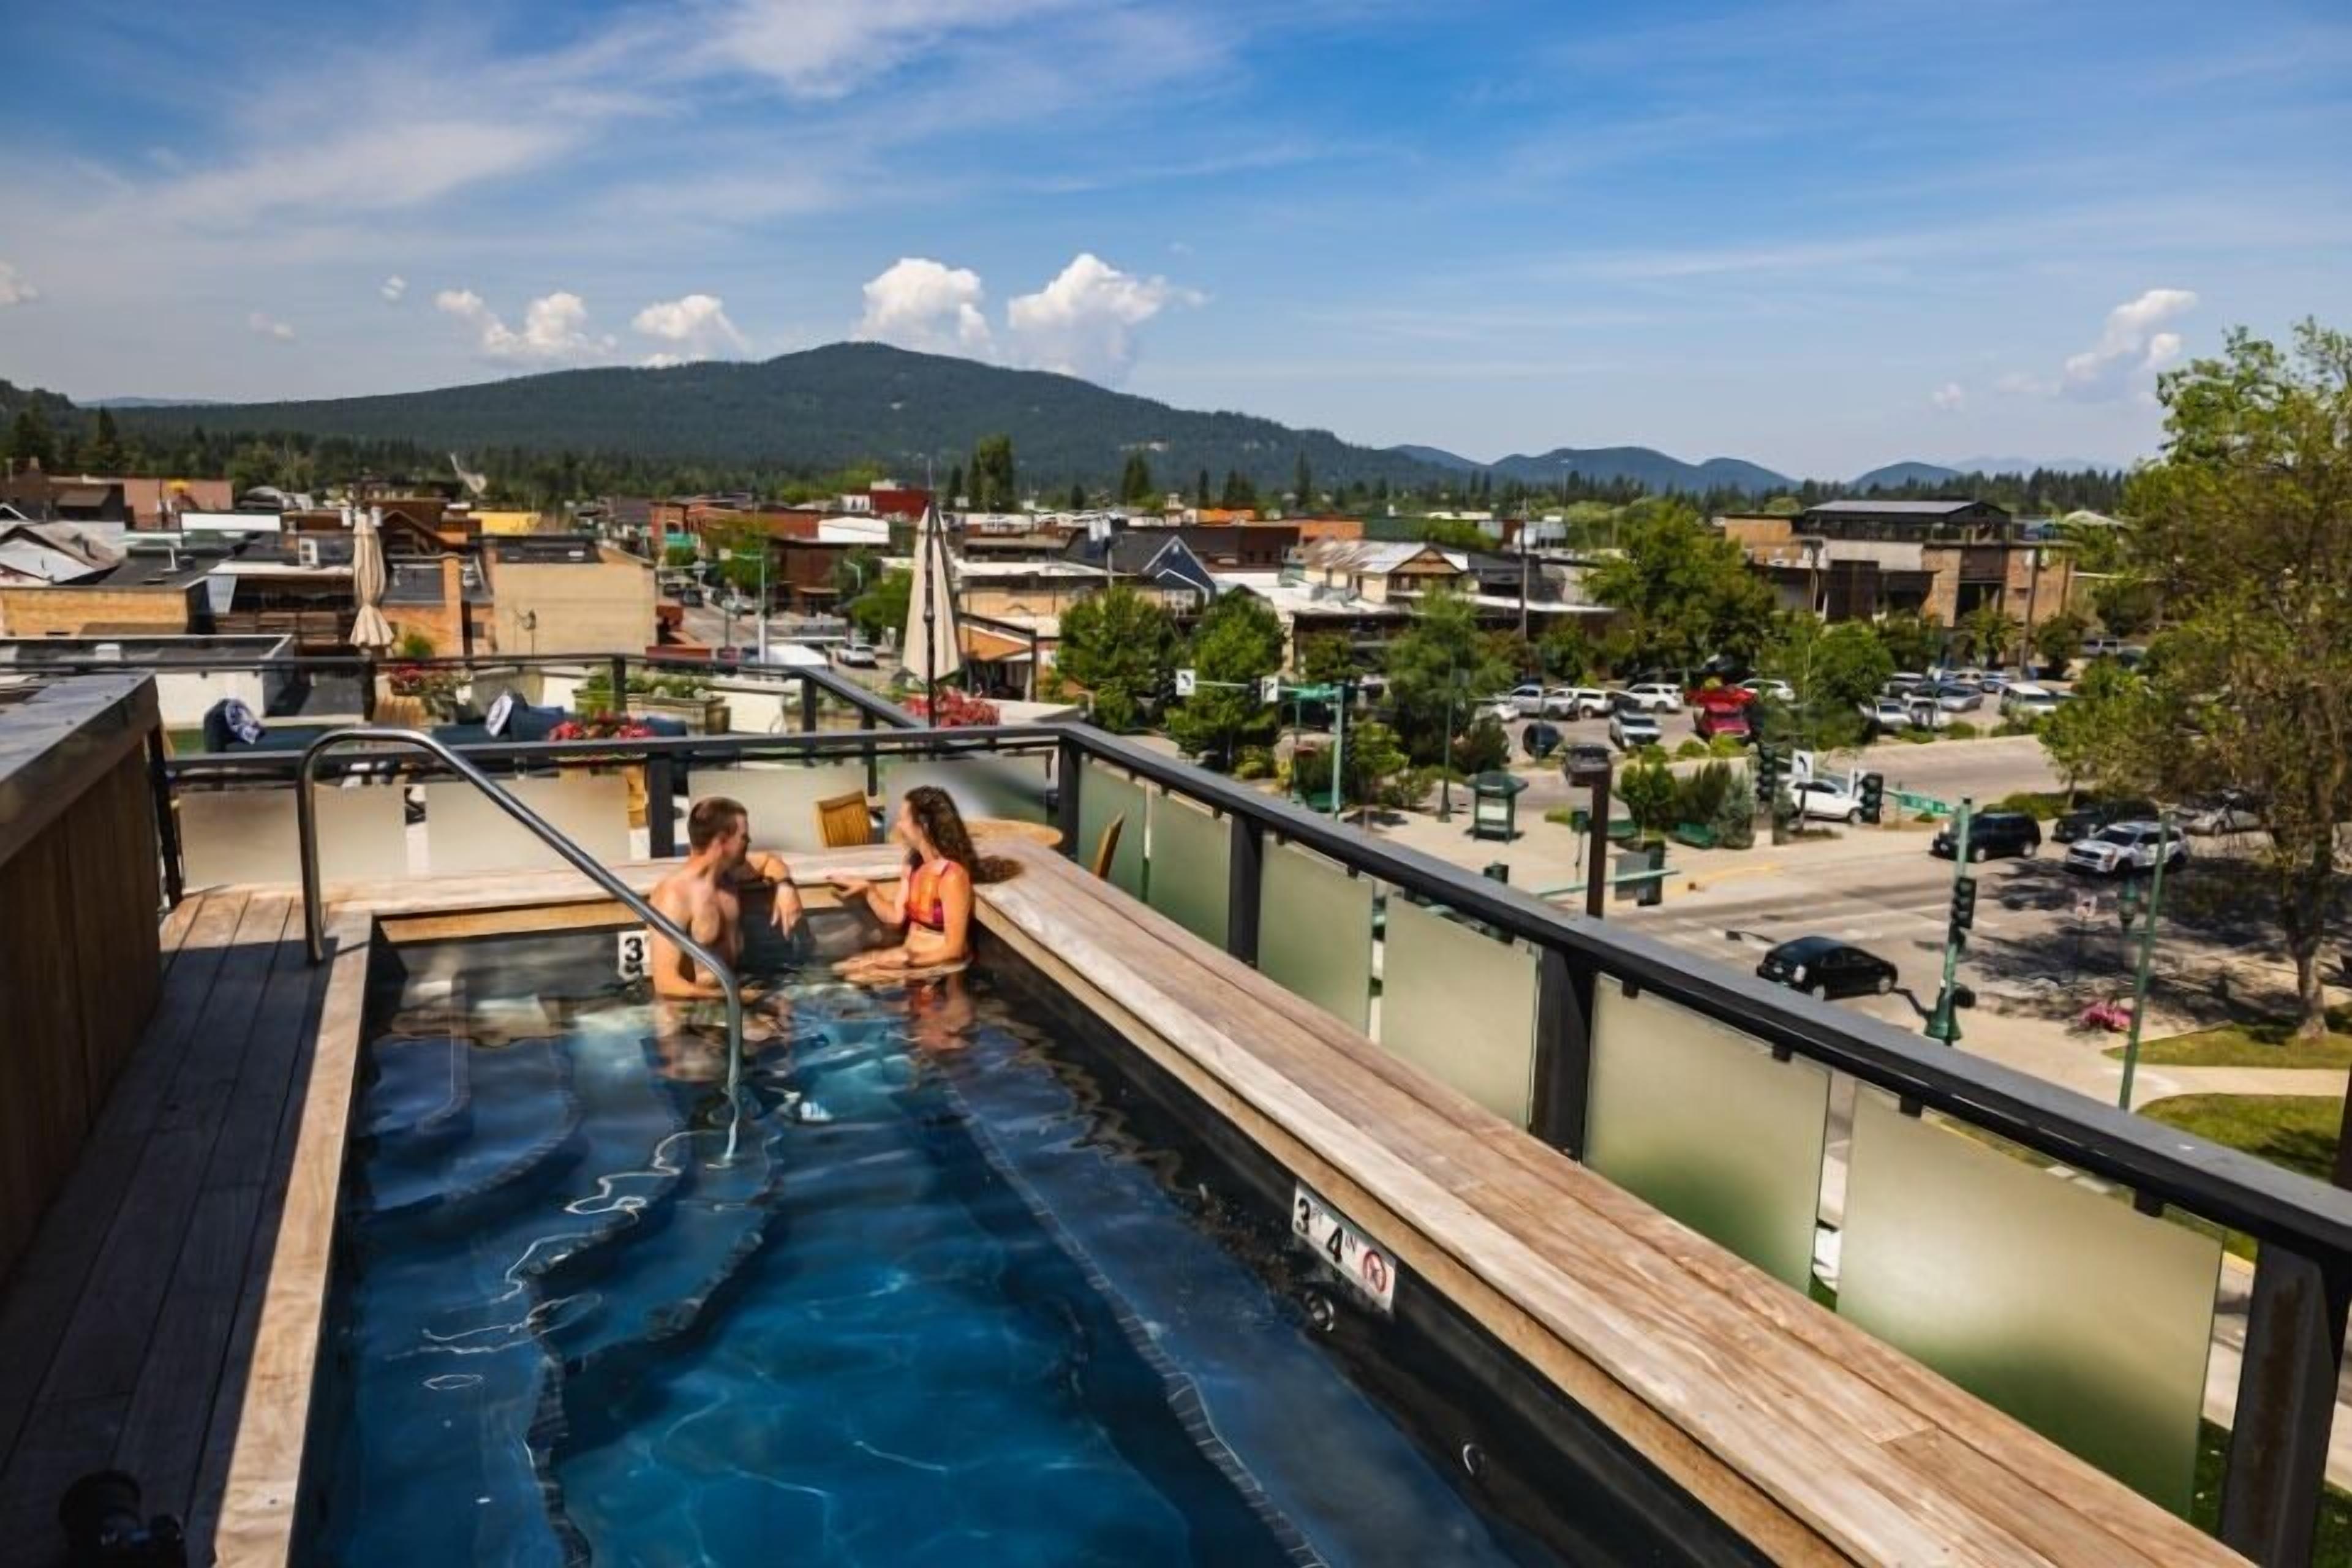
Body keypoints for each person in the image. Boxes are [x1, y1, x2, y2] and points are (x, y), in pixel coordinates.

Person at [827, 786, 1014, 982]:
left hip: (941, 967)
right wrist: (869, 890)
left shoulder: (951, 876)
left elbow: (955, 949)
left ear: (923, 826)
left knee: (855, 978)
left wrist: (903, 962)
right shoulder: (913, 863)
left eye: (902, 820)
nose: (898, 826)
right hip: (912, 956)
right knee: (841, 970)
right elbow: (895, 919)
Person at [646, 796, 804, 1005]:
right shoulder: (675, 895)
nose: (749, 842)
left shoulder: (728, 874)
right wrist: (736, 999)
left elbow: (770, 861)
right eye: (744, 837)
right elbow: (667, 984)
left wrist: (785, 887)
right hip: (693, 1010)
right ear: (722, 841)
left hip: (730, 996)